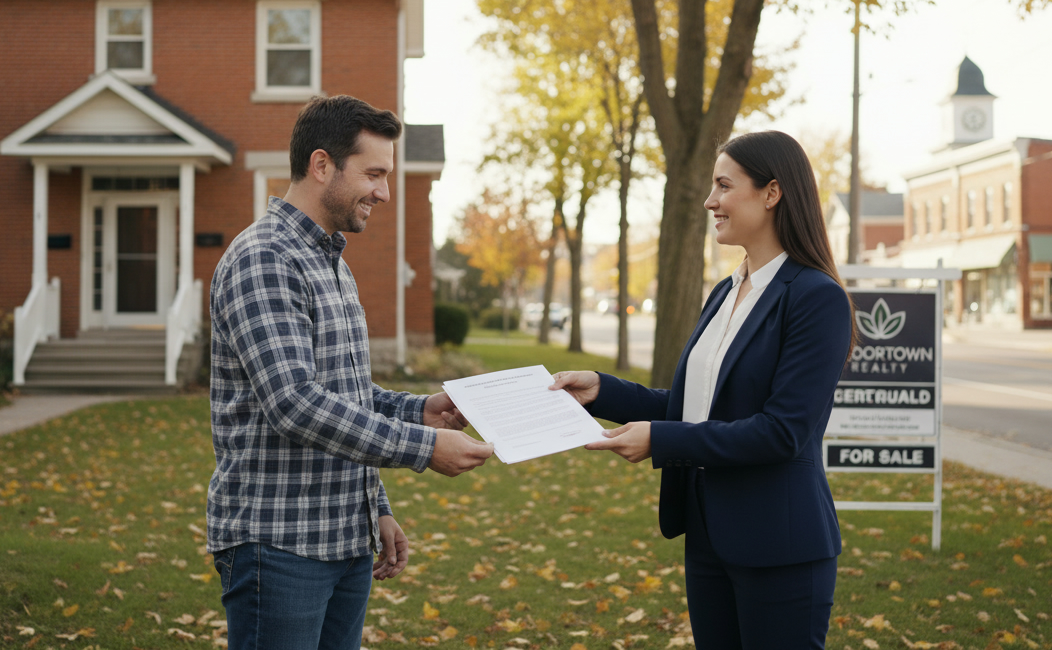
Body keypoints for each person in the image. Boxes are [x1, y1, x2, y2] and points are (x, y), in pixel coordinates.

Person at [207, 95, 495, 650]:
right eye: (374, 174)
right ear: (322, 166)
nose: (384, 192)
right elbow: (296, 403)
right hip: (280, 543)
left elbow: (347, 395)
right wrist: (422, 448)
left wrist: (417, 419)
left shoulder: (330, 261)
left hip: (344, 539)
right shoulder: (265, 257)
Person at [551, 130, 857, 649]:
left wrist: (661, 442)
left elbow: (783, 432)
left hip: (780, 547)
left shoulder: (814, 297)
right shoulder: (725, 290)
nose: (711, 201)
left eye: (723, 185)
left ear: (772, 192)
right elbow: (694, 406)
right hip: (710, 537)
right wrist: (601, 391)